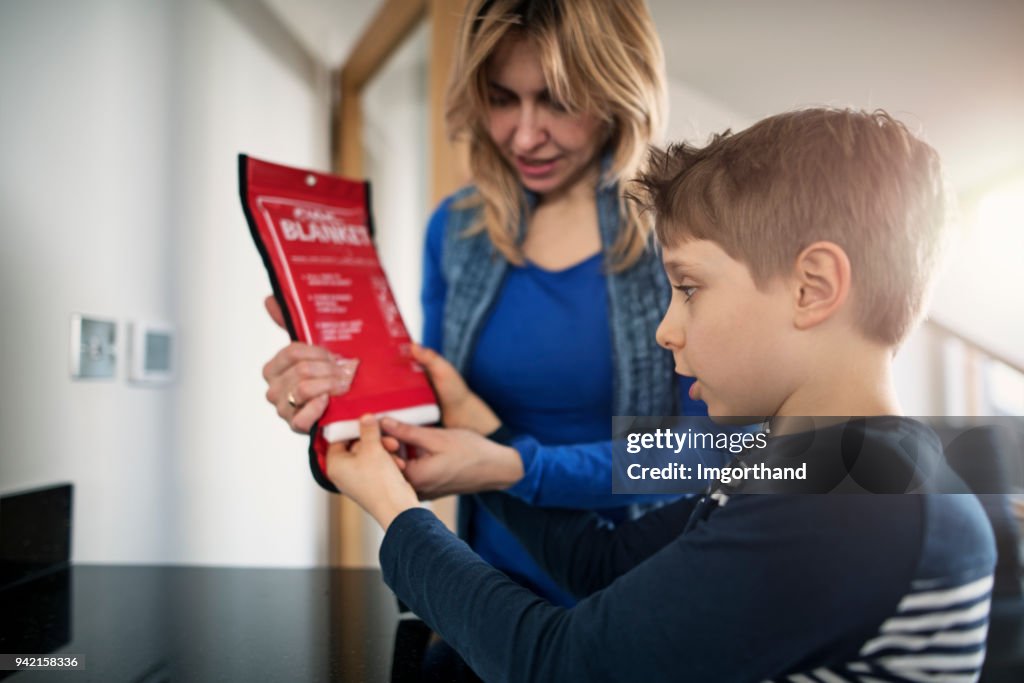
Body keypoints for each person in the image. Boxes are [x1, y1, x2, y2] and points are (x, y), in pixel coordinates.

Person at [324, 108, 997, 681]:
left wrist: (394, 507)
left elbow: (562, 667)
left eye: (690, 287)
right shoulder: (818, 466)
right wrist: (486, 448)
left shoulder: (857, 503)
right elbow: (603, 564)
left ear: (812, 286)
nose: (665, 328)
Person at [261, 0, 714, 606]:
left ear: (618, 89)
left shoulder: (681, 234)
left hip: (636, 595)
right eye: (502, 99)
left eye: (558, 99)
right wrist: (338, 399)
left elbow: (725, 452)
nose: (525, 135)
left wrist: (516, 466)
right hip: (487, 589)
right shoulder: (458, 230)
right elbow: (439, 408)